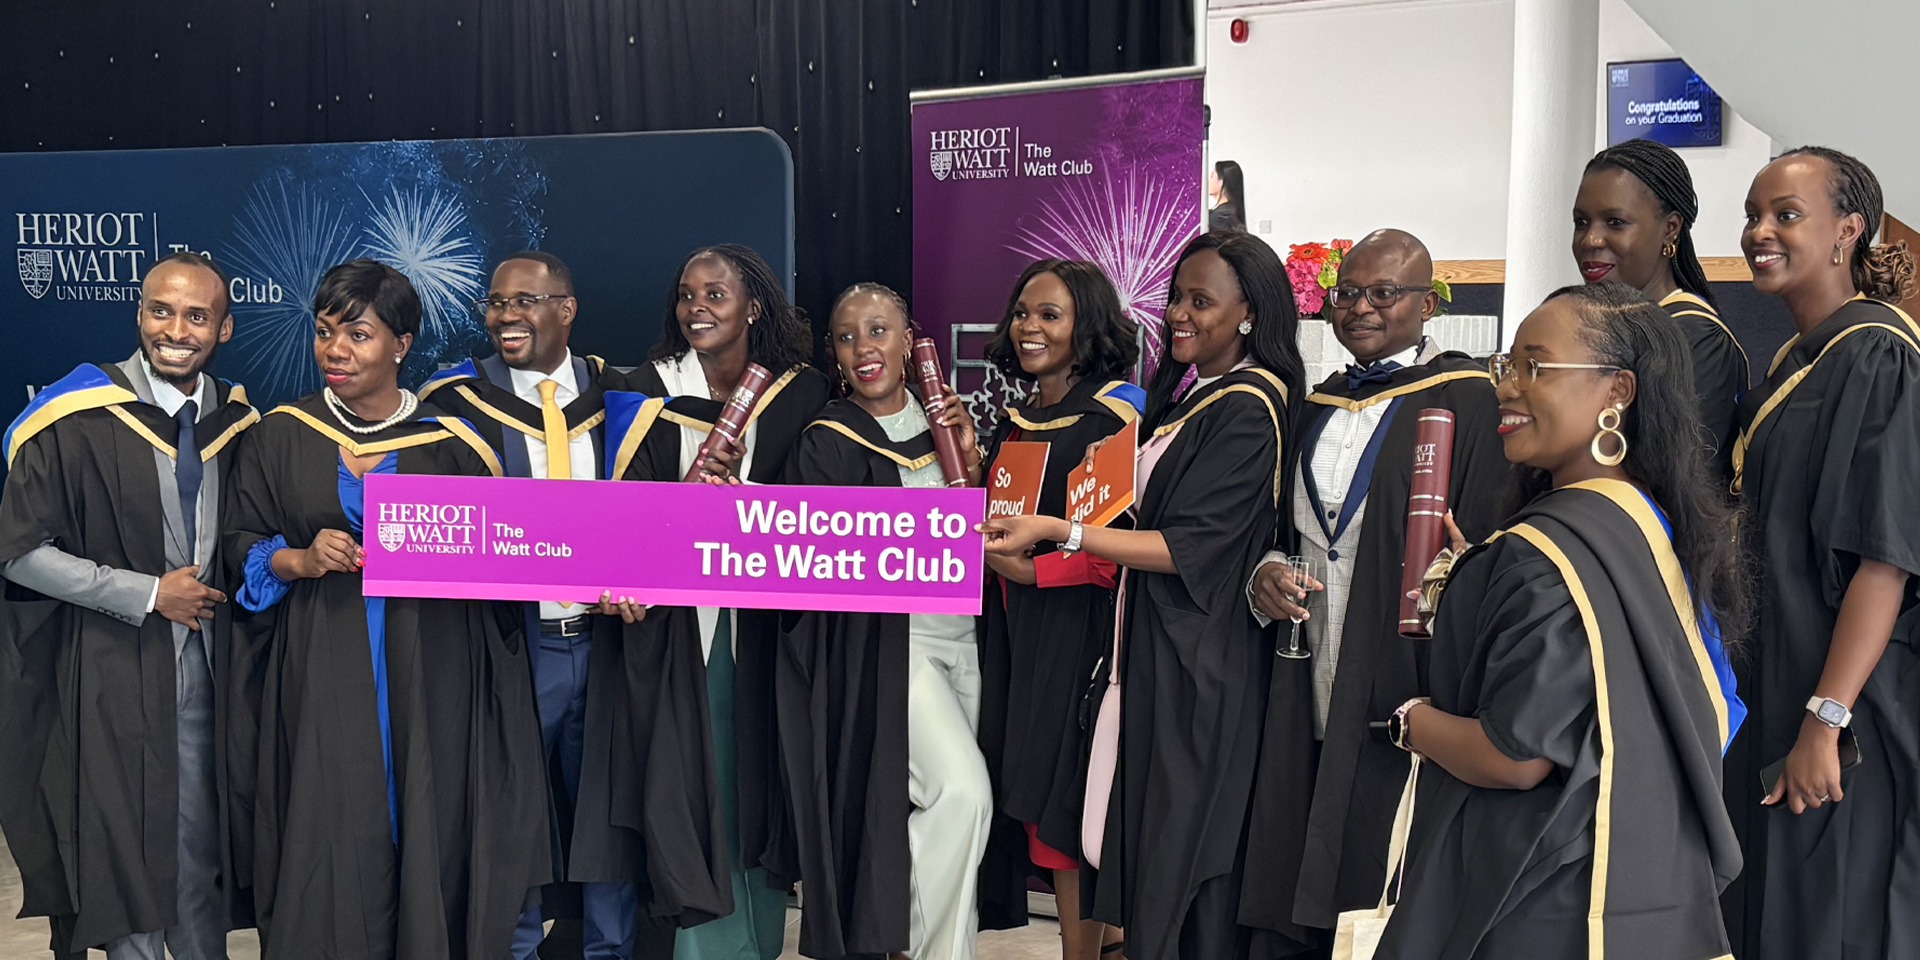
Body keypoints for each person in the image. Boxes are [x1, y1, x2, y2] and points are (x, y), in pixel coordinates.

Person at [1377, 282, 1745, 959]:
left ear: (1618, 391)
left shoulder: (1540, 554)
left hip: (1538, 895)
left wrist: (1412, 723)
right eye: (1506, 365)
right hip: (1647, 876)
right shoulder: (1650, 526)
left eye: (1536, 366)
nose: (1509, 386)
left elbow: (1515, 756)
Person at [980, 231, 1303, 959]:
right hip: (1142, 651)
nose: (1179, 315)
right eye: (1176, 298)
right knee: (1131, 846)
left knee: (1176, 863)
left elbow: (1186, 546)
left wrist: (1062, 534)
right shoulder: (1189, 398)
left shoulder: (1246, 408)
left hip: (1194, 661)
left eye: (1200, 301)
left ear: (1249, 312)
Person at [222, 259, 549, 959]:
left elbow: (506, 560)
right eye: (324, 332)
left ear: (402, 344)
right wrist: (301, 559)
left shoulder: (457, 446)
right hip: (324, 662)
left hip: (431, 665)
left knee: (427, 813)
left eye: (358, 334)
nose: (335, 351)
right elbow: (242, 546)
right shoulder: (280, 435)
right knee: (332, 822)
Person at [1236, 229, 1511, 955]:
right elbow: (1272, 522)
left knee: (1383, 846)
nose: (1361, 307)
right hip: (1305, 657)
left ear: (1428, 304)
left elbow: (1487, 529)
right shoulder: (1313, 401)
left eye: (1383, 293)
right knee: (1299, 827)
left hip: (1403, 661)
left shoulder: (1466, 396)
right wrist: (1264, 569)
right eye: (1347, 293)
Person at [0, 253, 257, 960]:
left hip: (211, 667)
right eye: (160, 311)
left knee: (202, 841)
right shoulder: (71, 415)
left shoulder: (238, 421)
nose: (175, 330)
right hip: (110, 669)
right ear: (138, 314)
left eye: (196, 316)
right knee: (119, 840)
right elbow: (19, 551)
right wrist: (144, 593)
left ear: (224, 329)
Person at [414, 250, 650, 960]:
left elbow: (655, 516)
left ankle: (609, 950)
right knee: (508, 812)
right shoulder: (453, 403)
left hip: (603, 642)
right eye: (496, 303)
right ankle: (511, 949)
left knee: (607, 812)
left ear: (565, 309)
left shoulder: (622, 398)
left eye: (524, 302)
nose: (505, 317)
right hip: (512, 645)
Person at [604, 243, 829, 959]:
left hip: (765, 624)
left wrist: (745, 501)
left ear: (753, 305)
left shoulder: (800, 392)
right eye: (686, 295)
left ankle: (758, 942)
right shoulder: (645, 390)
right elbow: (618, 507)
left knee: (756, 781)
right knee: (690, 781)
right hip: (675, 627)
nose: (696, 307)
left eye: (715, 293)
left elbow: (822, 504)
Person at [1725, 146, 1920, 960]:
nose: (1759, 232)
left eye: (1785, 214)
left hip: (1849, 712)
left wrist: (1825, 716)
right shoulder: (1796, 362)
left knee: (1833, 921)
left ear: (1849, 231)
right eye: (1754, 214)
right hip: (1781, 688)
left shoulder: (1877, 355)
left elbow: (1887, 554)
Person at [775, 283, 990, 960]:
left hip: (966, 638)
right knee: (963, 795)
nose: (863, 348)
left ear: (908, 340)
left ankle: (907, 942)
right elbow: (810, 555)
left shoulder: (946, 428)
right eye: (846, 336)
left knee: (940, 816)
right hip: (894, 645)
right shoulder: (829, 441)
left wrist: (975, 460)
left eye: (877, 331)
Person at [977, 259, 1142, 960]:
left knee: (1070, 808)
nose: (1030, 327)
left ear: (1088, 325)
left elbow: (1115, 549)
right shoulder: (1019, 419)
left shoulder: (1113, 417)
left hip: (1082, 638)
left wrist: (1034, 572)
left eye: (1050, 314)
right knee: (1047, 804)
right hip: (1020, 632)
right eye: (1023, 312)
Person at [1572, 138, 1749, 478]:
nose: (1590, 240)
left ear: (1670, 228)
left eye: (1615, 222)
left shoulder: (1695, 338)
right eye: (1581, 222)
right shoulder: (1606, 329)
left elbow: (1679, 482)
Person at [1208, 160, 1245, 234]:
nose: (1208, 181)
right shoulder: (1230, 211)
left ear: (1221, 182)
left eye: (1212, 177)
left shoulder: (1220, 217)